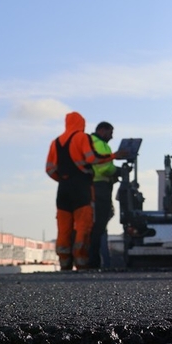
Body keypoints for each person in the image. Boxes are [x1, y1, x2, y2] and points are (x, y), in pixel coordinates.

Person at [45, 112, 121, 271]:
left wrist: (62, 180)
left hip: (63, 189)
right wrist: (114, 156)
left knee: (64, 227)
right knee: (83, 226)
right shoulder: (82, 138)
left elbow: (50, 169)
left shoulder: (56, 142)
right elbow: (92, 159)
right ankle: (81, 263)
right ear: (81, 124)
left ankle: (65, 264)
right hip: (81, 188)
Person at [88, 121, 119, 270]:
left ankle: (96, 260)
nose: (112, 136)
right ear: (102, 130)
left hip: (98, 186)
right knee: (99, 225)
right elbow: (104, 168)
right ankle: (94, 261)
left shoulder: (97, 142)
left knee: (100, 222)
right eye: (110, 133)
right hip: (99, 187)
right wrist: (117, 171)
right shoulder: (99, 144)